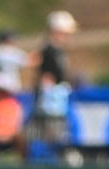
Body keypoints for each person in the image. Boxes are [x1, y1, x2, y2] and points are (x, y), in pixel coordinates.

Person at [33, 10, 77, 142]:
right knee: (53, 139)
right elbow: (46, 78)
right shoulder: (49, 51)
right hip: (52, 104)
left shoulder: (58, 51)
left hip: (59, 101)